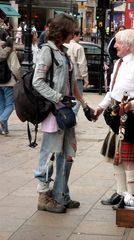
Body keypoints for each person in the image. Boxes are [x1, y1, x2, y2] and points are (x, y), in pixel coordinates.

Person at [32, 13, 93, 213]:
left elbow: (71, 83)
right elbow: (37, 81)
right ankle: (43, 195)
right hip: (53, 112)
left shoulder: (64, 52)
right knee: (49, 152)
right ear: (63, 31)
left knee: (67, 154)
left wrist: (83, 105)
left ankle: (60, 194)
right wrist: (58, 97)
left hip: (65, 112)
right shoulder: (47, 51)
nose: (74, 34)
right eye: (72, 31)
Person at [94, 29, 134, 209]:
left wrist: (132, 105)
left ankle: (131, 199)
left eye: (118, 42)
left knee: (128, 160)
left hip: (130, 117)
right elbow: (113, 92)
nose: (115, 45)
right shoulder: (118, 63)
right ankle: (121, 194)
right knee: (116, 156)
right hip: (116, 116)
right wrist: (100, 107)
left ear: (128, 45)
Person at [0, 30, 21, 135]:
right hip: (8, 82)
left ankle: (4, 129)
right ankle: (1, 121)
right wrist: (18, 79)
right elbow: (15, 68)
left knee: (2, 105)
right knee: (10, 105)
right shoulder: (10, 50)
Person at [64, 28, 89, 115]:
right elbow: (82, 64)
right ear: (75, 36)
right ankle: (72, 115)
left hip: (65, 75)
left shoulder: (64, 45)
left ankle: (66, 114)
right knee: (78, 97)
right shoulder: (79, 47)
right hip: (76, 76)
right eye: (79, 36)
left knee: (66, 96)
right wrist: (85, 78)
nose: (80, 38)